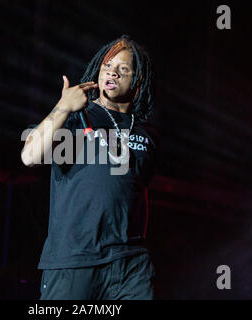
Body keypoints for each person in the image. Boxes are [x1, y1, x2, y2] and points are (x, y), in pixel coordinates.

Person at [21, 35, 158, 300]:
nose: (113, 72)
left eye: (123, 69)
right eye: (108, 65)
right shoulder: (75, 117)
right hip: (75, 260)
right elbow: (29, 155)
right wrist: (63, 106)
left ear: (137, 81)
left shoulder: (145, 134)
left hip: (130, 264)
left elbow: (139, 192)